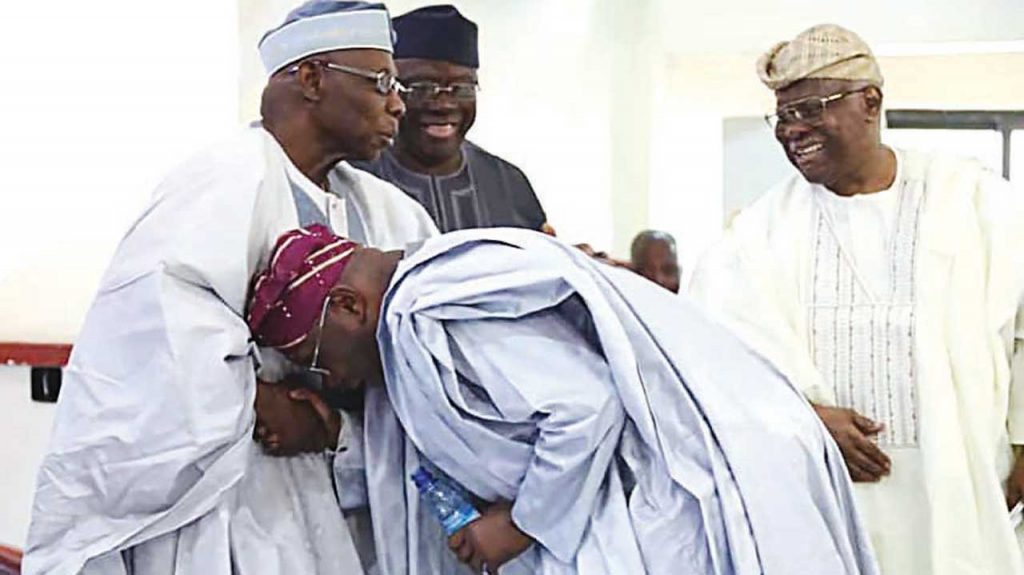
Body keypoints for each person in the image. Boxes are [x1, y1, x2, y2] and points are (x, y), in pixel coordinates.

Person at [23, 2, 438, 574]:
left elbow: (428, 364)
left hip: (350, 500)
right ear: (311, 78)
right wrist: (260, 403)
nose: (398, 104)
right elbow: (155, 346)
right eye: (382, 83)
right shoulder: (220, 183)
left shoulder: (395, 213)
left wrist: (334, 429)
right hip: (228, 504)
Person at [246, 224, 879, 575]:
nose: (331, 376)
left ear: (348, 306)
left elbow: (583, 407)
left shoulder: (427, 308)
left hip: (660, 514)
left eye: (316, 356)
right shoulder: (417, 311)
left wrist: (519, 524)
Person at [689, 24, 1024, 575]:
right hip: (824, 503)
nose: (792, 130)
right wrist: (804, 417)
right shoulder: (755, 235)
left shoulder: (971, 200)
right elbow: (709, 362)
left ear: (870, 102)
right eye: (783, 116)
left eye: (810, 109)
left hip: (962, 493)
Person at [352, 5, 550, 233]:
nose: (444, 105)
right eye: (422, 87)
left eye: (462, 88)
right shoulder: (351, 179)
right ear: (390, 90)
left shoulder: (508, 183)